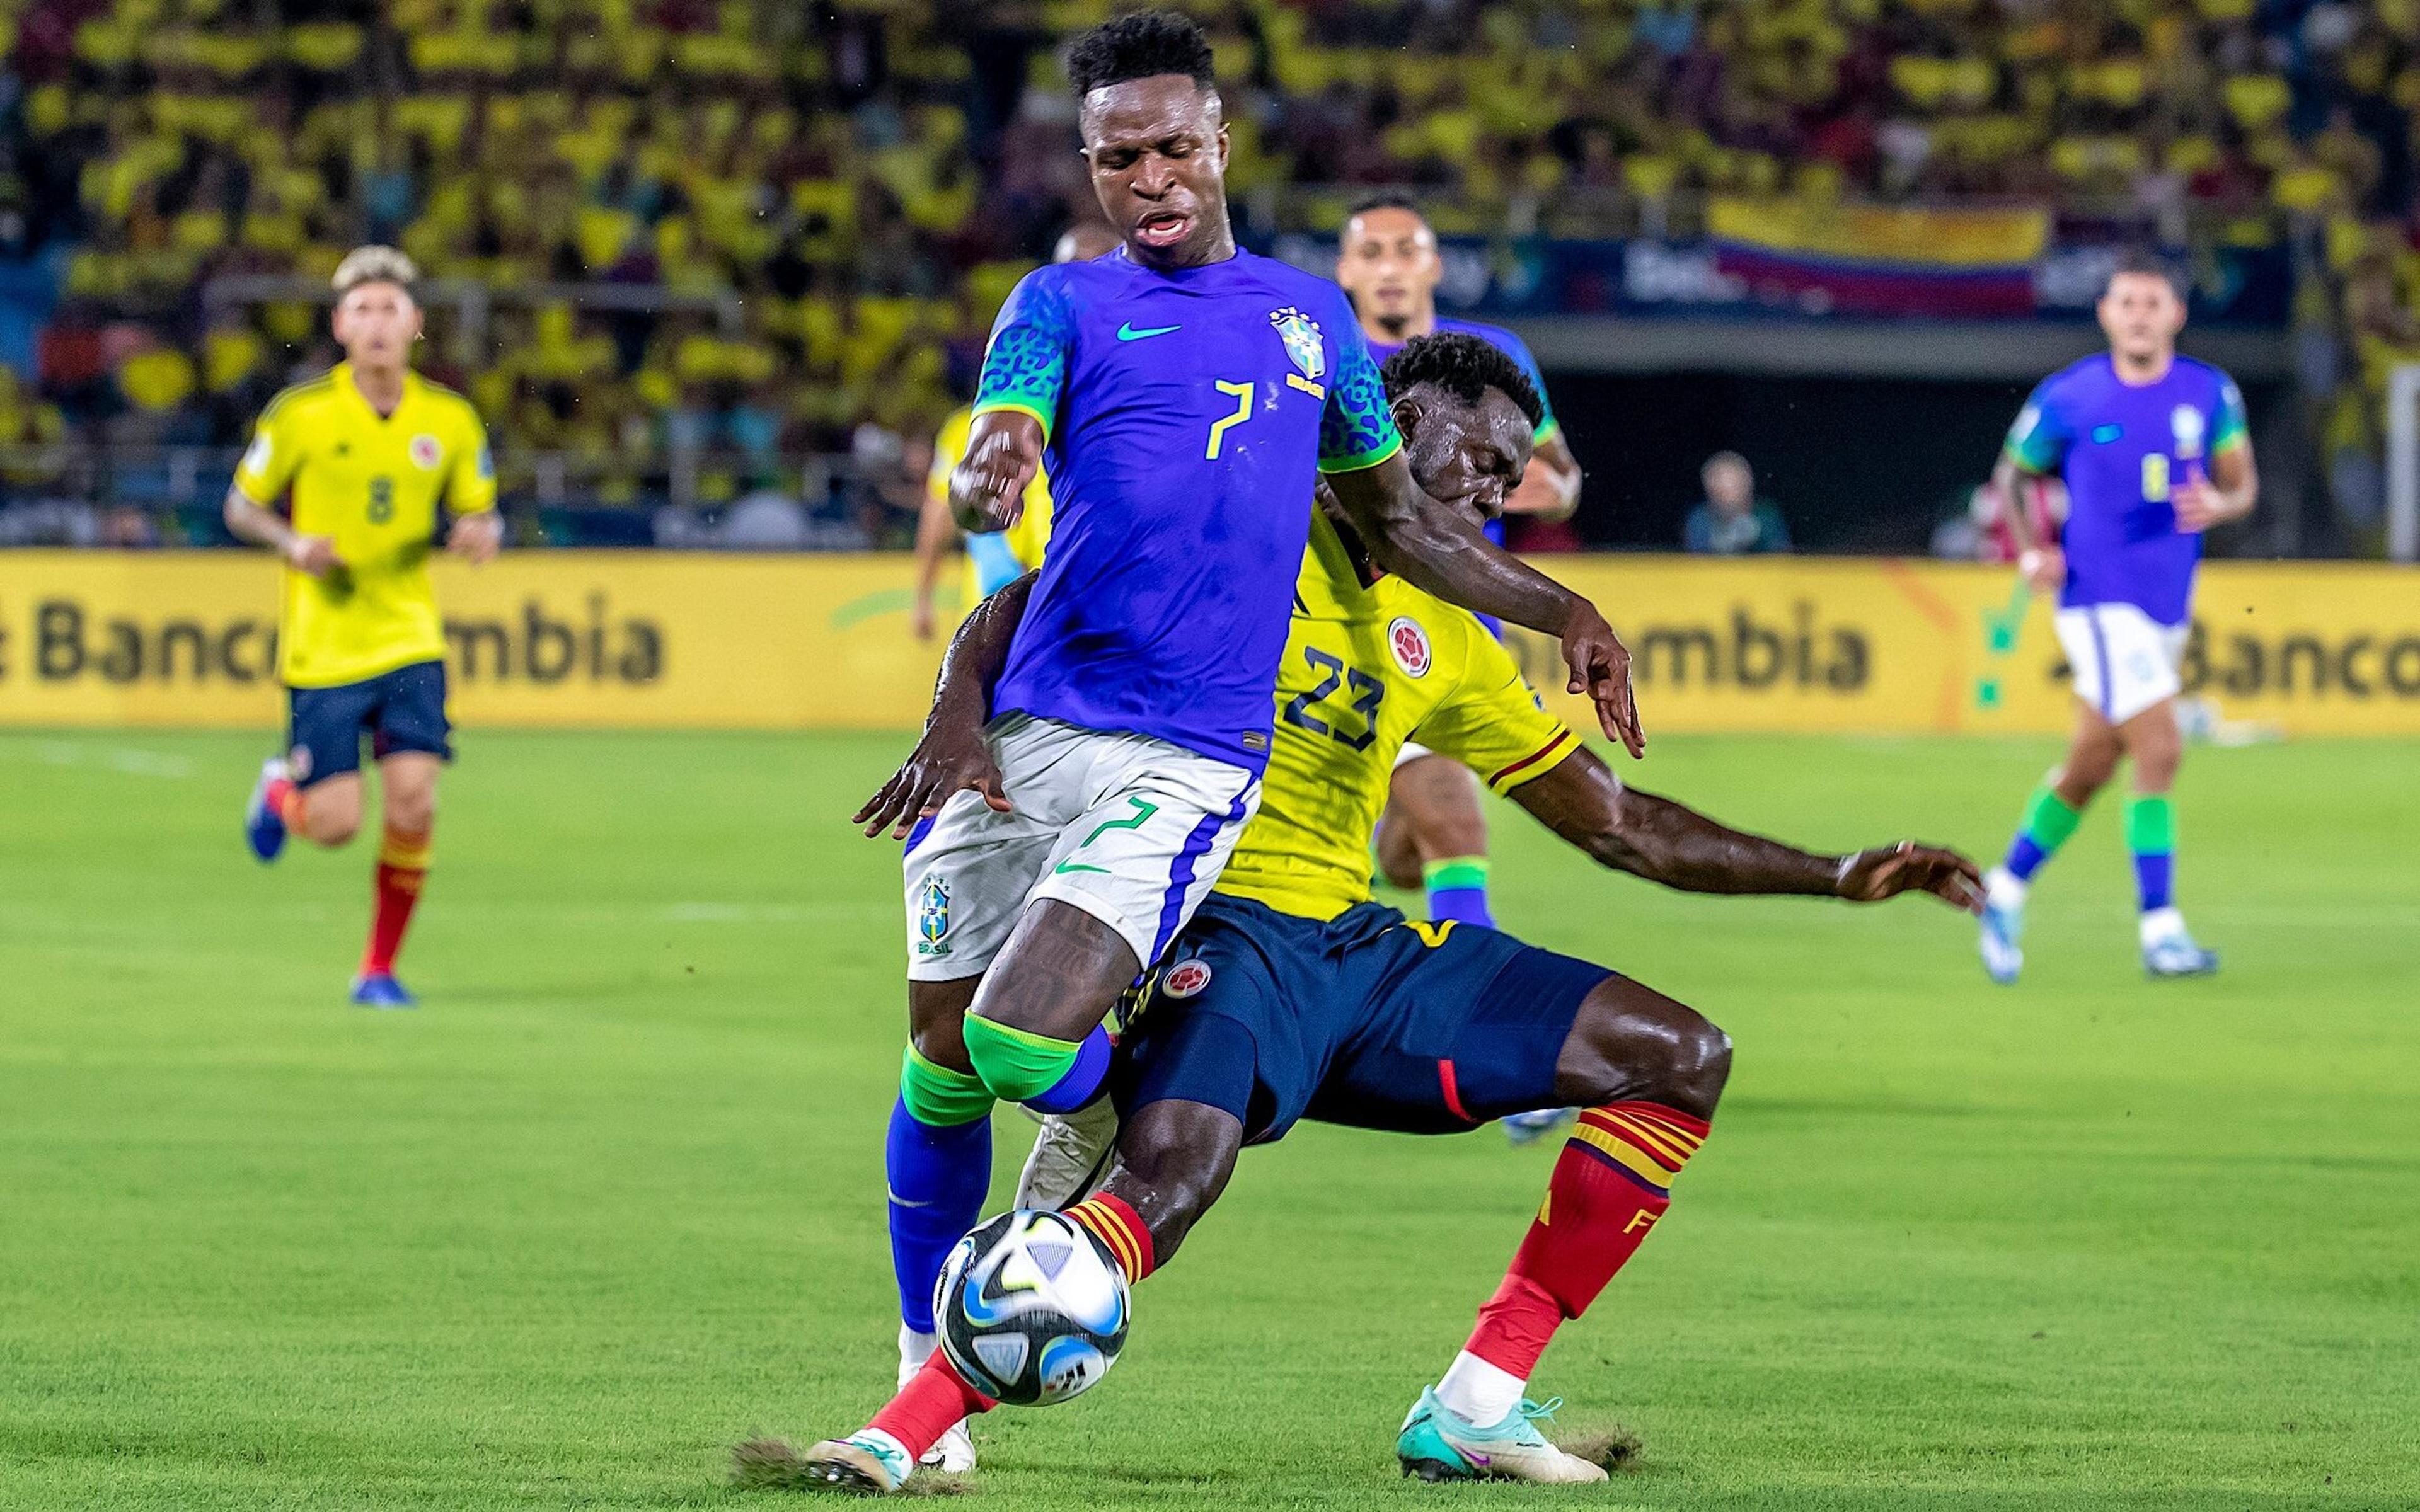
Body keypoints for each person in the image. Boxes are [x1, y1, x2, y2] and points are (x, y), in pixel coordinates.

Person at [797, 333, 1983, 1492]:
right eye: (1476, 454)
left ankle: (1474, 1407)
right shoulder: (1233, 536)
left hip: (1353, 951)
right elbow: (1014, 606)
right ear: (1386, 435)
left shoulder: (1452, 645)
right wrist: (956, 713)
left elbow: (1619, 823)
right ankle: (906, 1428)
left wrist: (1834, 873)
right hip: (1216, 931)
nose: (1493, 487)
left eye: (1512, 475)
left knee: (1678, 1056)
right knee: (1173, 1172)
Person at [872, 11, 1640, 1476]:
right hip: (1038, 706)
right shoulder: (1055, 300)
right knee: (937, 1067)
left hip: (1186, 742)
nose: (1148, 177)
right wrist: (1000, 458)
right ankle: (919, 1368)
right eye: (1117, 157)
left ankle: (1116, 1062)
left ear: (1219, 146)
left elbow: (1400, 520)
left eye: (1171, 147)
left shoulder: (1307, 322)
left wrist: (1563, 606)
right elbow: (1008, 417)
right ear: (1090, 165)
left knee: (1008, 1035)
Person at [231, 246, 501, 1008]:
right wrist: (291, 544)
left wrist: (482, 532)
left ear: (416, 324)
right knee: (336, 825)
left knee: (415, 799)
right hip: (325, 643)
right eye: (363, 310)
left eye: (392, 309)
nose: (378, 323)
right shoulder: (301, 416)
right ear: (340, 324)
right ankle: (282, 791)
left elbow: (479, 508)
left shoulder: (448, 420)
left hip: (411, 633)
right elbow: (240, 504)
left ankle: (377, 970)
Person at [1979, 254, 2256, 983]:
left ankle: (2000, 892)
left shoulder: (2209, 392)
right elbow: (2013, 472)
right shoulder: (2071, 395)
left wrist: (2222, 507)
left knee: (2091, 766)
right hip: (2098, 602)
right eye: (2127, 302)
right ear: (2106, 312)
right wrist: (2033, 549)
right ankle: (2161, 930)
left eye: (2153, 302)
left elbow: (2242, 484)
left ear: (2176, 315)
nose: (2139, 314)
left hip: (2168, 604)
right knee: (2160, 749)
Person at [1334, 193, 1579, 937]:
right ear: (1346, 271)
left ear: (1435, 264)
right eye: (1371, 254)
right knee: (1456, 832)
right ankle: (1470, 1014)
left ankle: (1384, 843)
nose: (1390, 269)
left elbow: (1560, 478)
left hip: (1461, 625)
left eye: (1405, 251)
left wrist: (1509, 488)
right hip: (1354, 627)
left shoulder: (1488, 358)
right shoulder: (1329, 357)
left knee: (1412, 857)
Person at [908, 222, 1121, 641]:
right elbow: (940, 515)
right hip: (1004, 614)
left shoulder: (1143, 406)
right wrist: (923, 595)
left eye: (1100, 270)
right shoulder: (971, 426)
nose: (1082, 285)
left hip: (1098, 613)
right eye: (1072, 270)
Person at [1683, 452, 1791, 554]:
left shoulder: (1766, 516)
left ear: (1747, 485)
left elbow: (1780, 559)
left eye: (1732, 487)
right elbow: (1696, 560)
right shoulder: (1700, 518)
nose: (1725, 497)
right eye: (1719, 490)